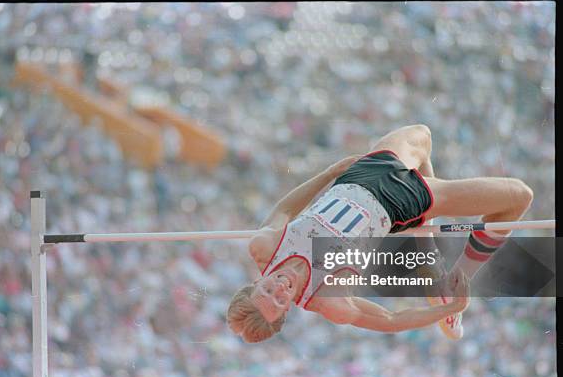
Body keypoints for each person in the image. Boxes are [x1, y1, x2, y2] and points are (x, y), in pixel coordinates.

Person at [227, 124, 533, 343]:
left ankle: (426, 248)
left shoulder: (265, 247)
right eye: (279, 301)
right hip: (401, 201)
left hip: (362, 173)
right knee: (520, 196)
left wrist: (330, 172)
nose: (279, 288)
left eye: (267, 290)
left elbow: (285, 208)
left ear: (255, 282)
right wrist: (453, 308)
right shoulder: (327, 300)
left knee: (422, 134)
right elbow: (391, 321)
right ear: (285, 313)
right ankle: (453, 281)